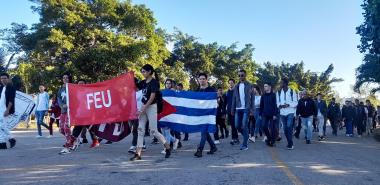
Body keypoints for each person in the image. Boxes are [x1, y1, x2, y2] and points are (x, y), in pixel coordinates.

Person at [130, 64, 171, 161]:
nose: (142, 73)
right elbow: (135, 87)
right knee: (140, 130)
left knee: (154, 131)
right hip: (143, 107)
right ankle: (138, 154)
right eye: (142, 71)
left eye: (144, 71)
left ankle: (167, 147)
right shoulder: (143, 82)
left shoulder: (154, 82)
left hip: (151, 107)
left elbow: (152, 97)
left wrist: (143, 108)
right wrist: (130, 77)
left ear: (149, 72)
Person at [194, 73, 218, 158]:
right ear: (198, 80)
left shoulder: (211, 90)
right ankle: (213, 147)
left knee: (203, 132)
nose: (202, 80)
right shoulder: (197, 90)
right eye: (200, 79)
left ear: (207, 80)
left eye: (203, 78)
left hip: (208, 114)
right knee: (205, 132)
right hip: (200, 114)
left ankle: (200, 150)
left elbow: (215, 101)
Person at [231, 70, 254, 151]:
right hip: (238, 108)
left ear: (245, 75)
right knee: (237, 126)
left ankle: (245, 145)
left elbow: (253, 98)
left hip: (246, 108)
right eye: (239, 75)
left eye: (242, 75)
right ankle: (246, 136)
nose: (240, 77)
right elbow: (234, 98)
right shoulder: (236, 86)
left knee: (244, 125)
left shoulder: (250, 85)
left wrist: (252, 109)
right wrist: (232, 109)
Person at [276, 77, 298, 150]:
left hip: (290, 112)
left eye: (281, 82)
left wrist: (288, 105)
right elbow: (277, 102)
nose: (280, 84)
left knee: (289, 126)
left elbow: (295, 102)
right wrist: (280, 105)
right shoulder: (278, 92)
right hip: (282, 113)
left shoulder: (292, 91)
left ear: (285, 83)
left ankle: (290, 143)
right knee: (285, 129)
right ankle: (289, 142)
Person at [58, 74, 75, 154]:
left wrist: (69, 104)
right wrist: (62, 105)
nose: (65, 79)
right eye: (63, 77)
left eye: (66, 78)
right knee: (61, 129)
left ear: (69, 79)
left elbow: (76, 97)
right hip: (63, 111)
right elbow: (59, 98)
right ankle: (72, 139)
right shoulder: (61, 89)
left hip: (70, 110)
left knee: (66, 127)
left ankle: (69, 144)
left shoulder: (72, 87)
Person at [0, 73, 17, 149]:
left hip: (5, 109)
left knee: (2, 125)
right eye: (1, 78)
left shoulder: (11, 87)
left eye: (4, 78)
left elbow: (11, 100)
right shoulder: (2, 88)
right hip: (0, 108)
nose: (3, 80)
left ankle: (11, 139)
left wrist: (7, 110)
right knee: (1, 126)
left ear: (8, 79)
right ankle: (2, 143)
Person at [260, 83, 278, 147]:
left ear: (270, 87)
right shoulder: (263, 95)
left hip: (272, 114)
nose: (264, 87)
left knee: (272, 128)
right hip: (265, 114)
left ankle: (273, 141)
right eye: (264, 86)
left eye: (266, 86)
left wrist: (275, 114)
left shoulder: (274, 95)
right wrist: (260, 113)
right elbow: (261, 105)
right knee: (264, 126)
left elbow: (276, 105)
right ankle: (269, 138)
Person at [226, 79, 239, 145]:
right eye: (229, 83)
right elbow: (226, 102)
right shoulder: (227, 92)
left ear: (234, 83)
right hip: (229, 111)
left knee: (235, 125)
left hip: (235, 111)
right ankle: (234, 138)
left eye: (232, 83)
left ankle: (235, 138)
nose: (230, 84)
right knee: (232, 125)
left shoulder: (236, 91)